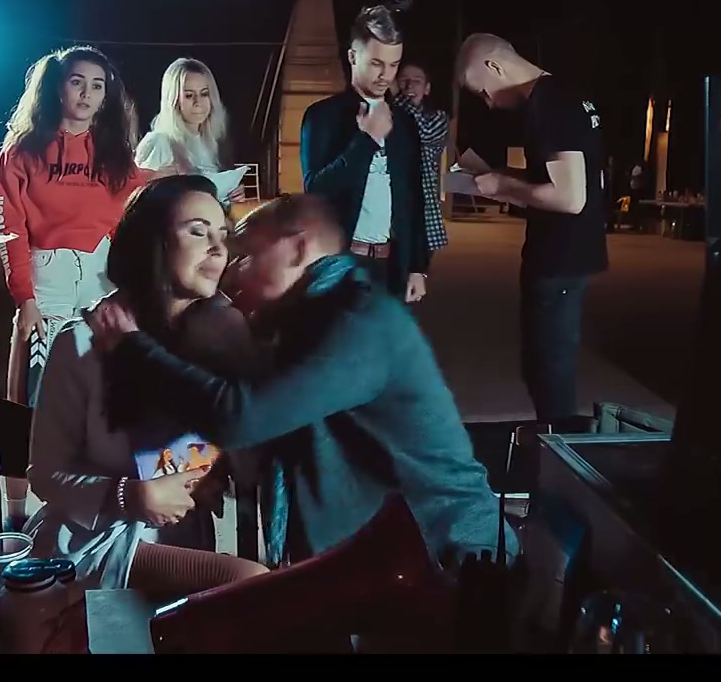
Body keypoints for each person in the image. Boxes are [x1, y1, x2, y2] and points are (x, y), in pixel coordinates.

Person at [89, 193, 517, 576]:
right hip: (387, 556)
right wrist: (204, 466)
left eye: (246, 256)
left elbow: (240, 417)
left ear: (296, 249)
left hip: (446, 560)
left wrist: (131, 348)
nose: (232, 272)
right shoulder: (305, 320)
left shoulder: (359, 324)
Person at [24, 174, 268, 598]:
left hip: (184, 534)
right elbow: (45, 474)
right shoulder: (81, 341)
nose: (218, 248)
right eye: (198, 232)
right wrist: (127, 496)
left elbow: (237, 447)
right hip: (100, 540)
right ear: (153, 242)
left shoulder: (221, 331)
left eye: (222, 234)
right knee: (249, 584)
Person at [0, 45, 150, 529]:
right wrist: (25, 299)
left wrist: (204, 180)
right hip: (49, 276)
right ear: (57, 87)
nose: (87, 93)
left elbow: (147, 188)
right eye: (77, 81)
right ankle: (16, 520)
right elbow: (11, 229)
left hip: (102, 275)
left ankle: (93, 511)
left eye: (97, 85)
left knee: (106, 391)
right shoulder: (21, 151)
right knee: (34, 397)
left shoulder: (113, 153)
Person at [455, 33, 609, 427]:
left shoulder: (548, 105)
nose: (488, 102)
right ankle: (554, 445)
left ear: (494, 67)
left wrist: (502, 185)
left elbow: (570, 198)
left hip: (558, 259)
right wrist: (502, 178)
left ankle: (557, 456)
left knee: (549, 376)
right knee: (543, 369)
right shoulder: (565, 96)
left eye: (481, 91)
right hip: (570, 256)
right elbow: (569, 180)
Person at [299, 5, 429, 303]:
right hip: (341, 263)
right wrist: (367, 140)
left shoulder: (405, 123)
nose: (386, 75)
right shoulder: (322, 117)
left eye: (394, 65)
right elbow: (316, 191)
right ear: (352, 57)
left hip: (392, 265)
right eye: (376, 63)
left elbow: (414, 198)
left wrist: (418, 267)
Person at [135, 57, 246, 209]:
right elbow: (136, 201)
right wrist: (160, 182)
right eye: (189, 95)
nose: (198, 102)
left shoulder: (212, 143)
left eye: (204, 94)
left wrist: (232, 195)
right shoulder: (159, 141)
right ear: (173, 100)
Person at [391, 62, 451, 258]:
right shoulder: (384, 115)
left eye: (416, 81)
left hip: (421, 207)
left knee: (417, 266)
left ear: (427, 89)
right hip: (389, 203)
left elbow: (421, 131)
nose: (409, 86)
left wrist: (398, 97)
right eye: (404, 80)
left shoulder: (437, 118)